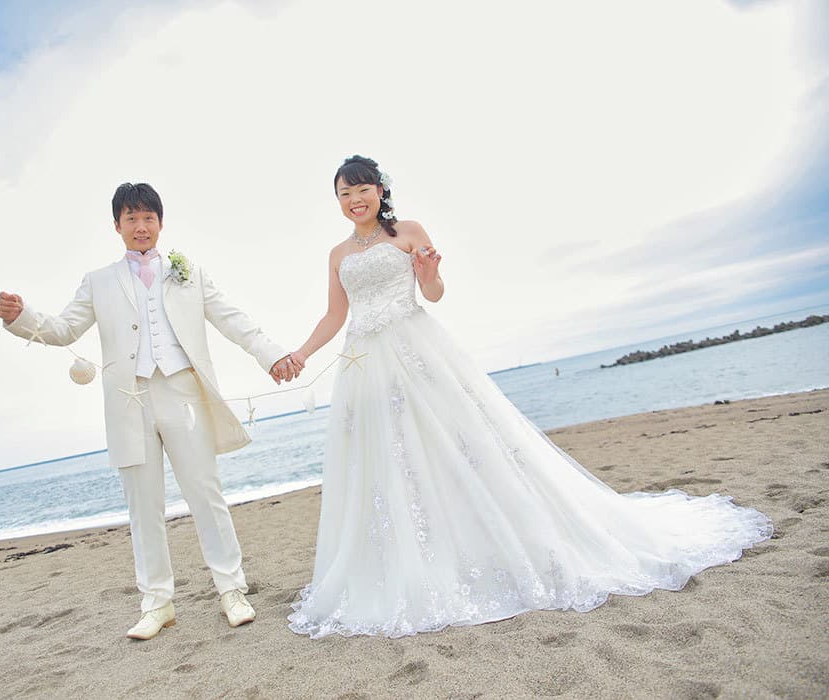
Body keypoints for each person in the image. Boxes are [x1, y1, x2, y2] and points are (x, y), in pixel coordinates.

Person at [285, 156, 772, 639]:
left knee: (459, 444)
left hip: (417, 351)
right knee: (388, 459)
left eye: (362, 190)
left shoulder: (408, 232)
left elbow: (433, 294)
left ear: (380, 191)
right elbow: (335, 316)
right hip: (366, 366)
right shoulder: (337, 254)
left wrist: (429, 273)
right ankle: (403, 557)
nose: (354, 200)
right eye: (344, 194)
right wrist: (301, 354)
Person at [0, 182, 300, 640]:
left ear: (160, 222)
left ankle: (232, 591)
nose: (141, 227)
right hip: (129, 402)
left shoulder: (187, 272)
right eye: (131, 219)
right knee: (143, 507)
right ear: (117, 226)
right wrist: (20, 316)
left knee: (206, 494)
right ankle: (157, 604)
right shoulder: (98, 281)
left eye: (148, 218)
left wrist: (271, 354)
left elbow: (233, 319)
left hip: (183, 394)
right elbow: (63, 329)